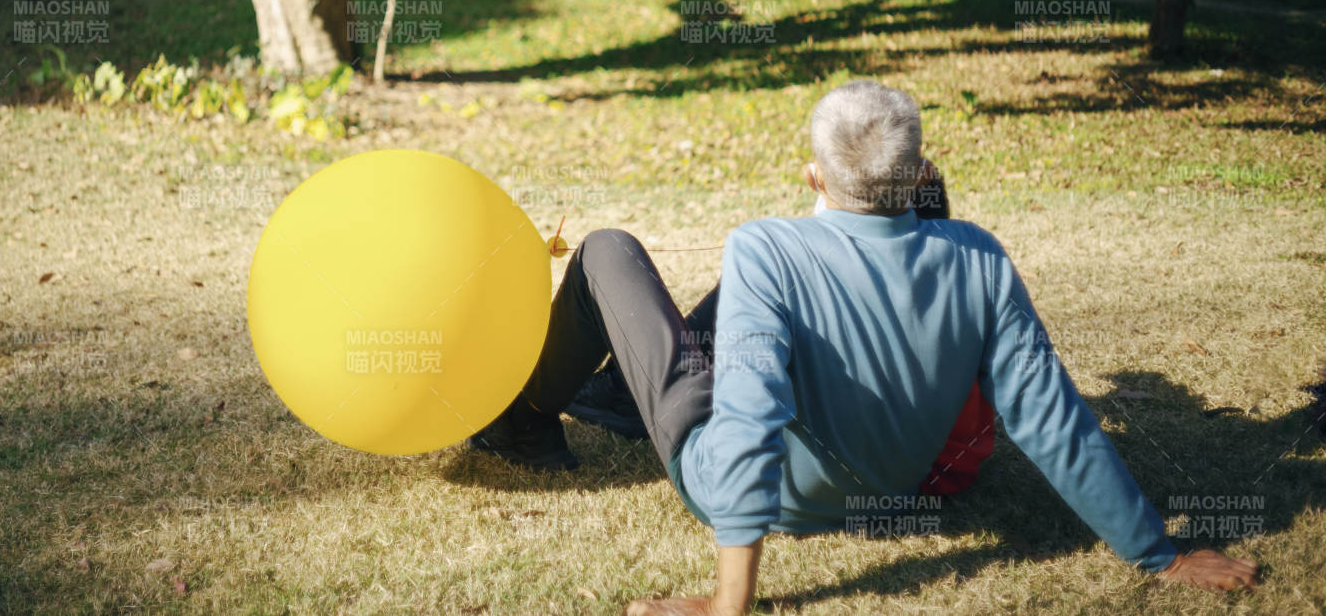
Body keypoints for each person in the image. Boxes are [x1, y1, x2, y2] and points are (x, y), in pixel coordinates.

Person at [470, 80, 1260, 614]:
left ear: (811, 175)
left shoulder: (767, 247)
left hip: (732, 476)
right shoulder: (978, 256)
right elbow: (1054, 419)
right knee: (727, 333)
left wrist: (727, 602)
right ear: (917, 173)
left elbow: (746, 421)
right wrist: (1157, 554)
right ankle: (614, 392)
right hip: (883, 487)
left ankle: (525, 420)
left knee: (606, 249)